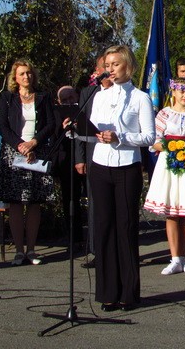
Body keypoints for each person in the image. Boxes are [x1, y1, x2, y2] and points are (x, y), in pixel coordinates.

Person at [88, 45, 155, 312]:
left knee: (125, 228)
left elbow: (149, 138)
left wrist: (121, 138)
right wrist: (75, 129)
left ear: (127, 66)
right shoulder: (99, 96)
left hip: (127, 167)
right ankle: (107, 292)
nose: (110, 69)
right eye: (108, 64)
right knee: (103, 228)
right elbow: (90, 130)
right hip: (100, 166)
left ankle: (128, 292)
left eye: (115, 64)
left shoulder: (140, 98)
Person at [0, 59, 56, 266]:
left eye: (29, 73)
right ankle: (19, 251)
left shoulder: (43, 97)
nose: (26, 77)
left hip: (37, 152)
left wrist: (34, 143)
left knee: (33, 202)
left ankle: (31, 250)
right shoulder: (7, 98)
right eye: (22, 74)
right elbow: (2, 126)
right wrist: (20, 145)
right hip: (13, 153)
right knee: (15, 203)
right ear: (15, 77)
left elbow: (51, 124)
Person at [144, 77, 185, 275]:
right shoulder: (164, 114)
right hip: (169, 163)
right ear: (174, 92)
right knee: (172, 212)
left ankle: (183, 255)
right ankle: (174, 257)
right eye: (181, 91)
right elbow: (154, 141)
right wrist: (173, 147)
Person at [74, 55, 113, 268]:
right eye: (103, 67)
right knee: (95, 203)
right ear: (97, 71)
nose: (107, 71)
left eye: (111, 66)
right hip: (92, 153)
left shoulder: (124, 93)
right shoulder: (88, 94)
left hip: (117, 155)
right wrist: (80, 158)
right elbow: (80, 127)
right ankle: (96, 250)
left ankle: (114, 250)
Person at [53, 86, 85, 249]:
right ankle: (74, 237)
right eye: (64, 100)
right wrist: (62, 127)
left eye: (70, 98)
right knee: (70, 200)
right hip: (66, 161)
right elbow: (52, 134)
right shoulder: (57, 113)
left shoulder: (85, 108)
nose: (68, 102)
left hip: (86, 158)